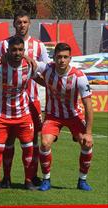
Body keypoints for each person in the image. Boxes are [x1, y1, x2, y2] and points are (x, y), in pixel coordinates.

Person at [0, 10, 50, 188]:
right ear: (14, 24)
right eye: (19, 22)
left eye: (25, 22)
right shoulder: (2, 45)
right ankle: (6, 178)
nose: (22, 25)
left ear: (29, 23)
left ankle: (31, 177)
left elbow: (46, 67)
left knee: (31, 141)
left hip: (30, 101)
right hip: (6, 102)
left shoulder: (39, 46)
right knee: (7, 141)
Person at [35, 43, 94, 191]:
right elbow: (30, 65)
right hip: (53, 116)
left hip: (74, 115)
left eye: (65, 57)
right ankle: (46, 180)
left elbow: (88, 106)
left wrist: (89, 133)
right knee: (45, 143)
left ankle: (82, 181)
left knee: (86, 143)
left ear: (70, 58)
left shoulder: (79, 77)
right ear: (54, 58)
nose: (62, 60)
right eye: (59, 57)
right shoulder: (47, 68)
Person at [0, 36, 40, 191]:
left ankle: (28, 181)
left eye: (20, 50)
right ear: (7, 51)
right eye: (14, 50)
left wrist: (55, 90)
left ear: (24, 51)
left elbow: (42, 76)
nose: (17, 53)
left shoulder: (30, 66)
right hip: (1, 115)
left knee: (28, 148)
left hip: (23, 115)